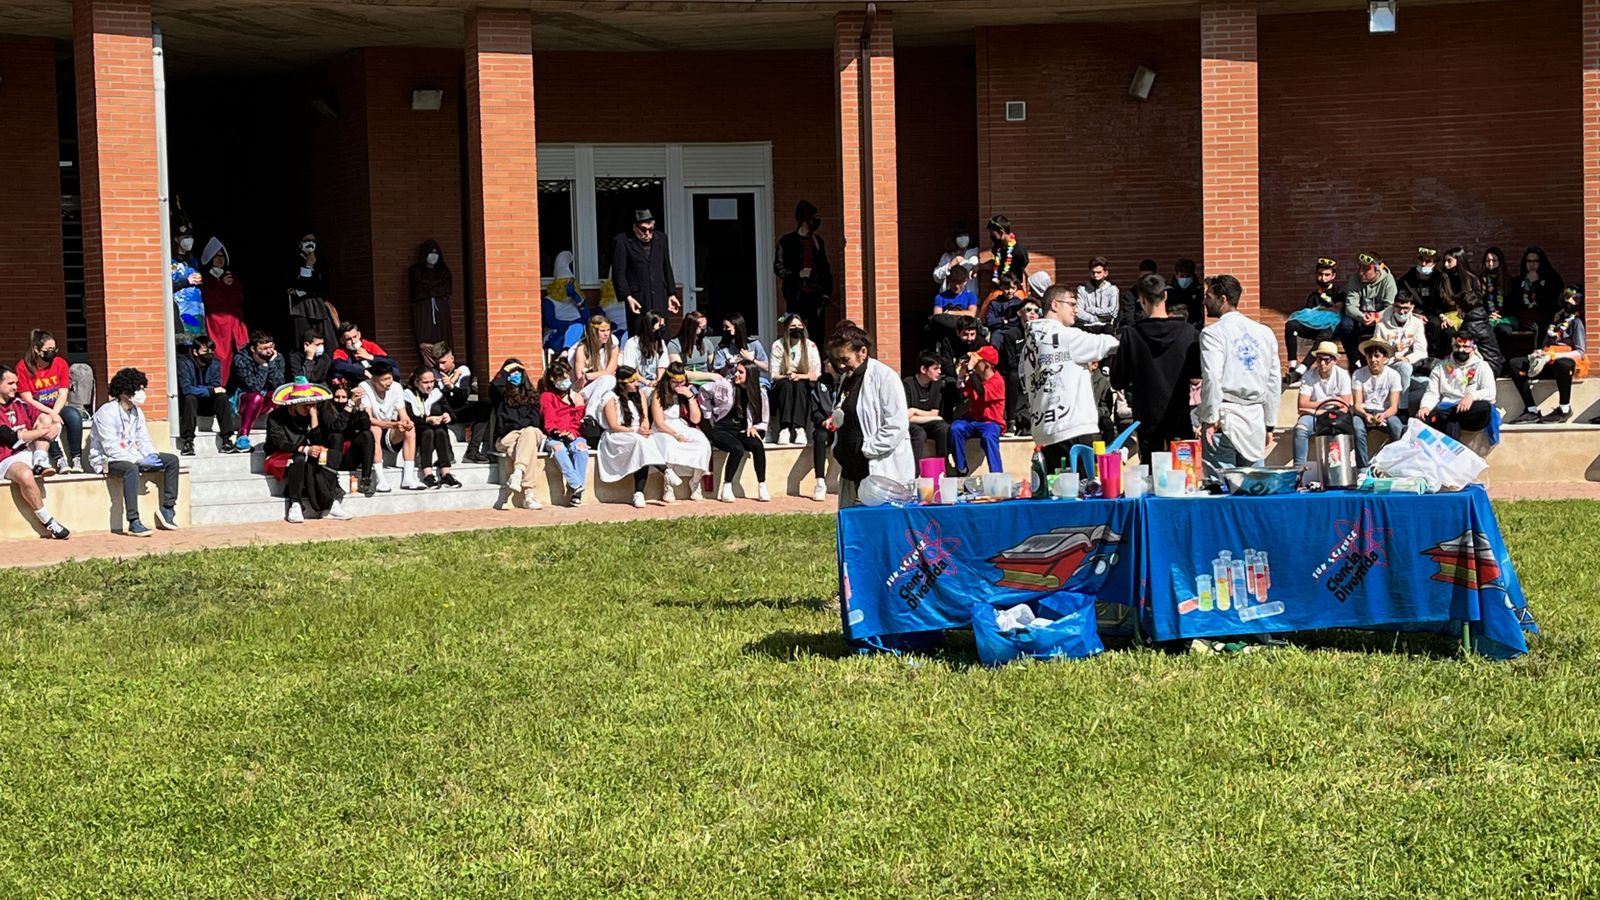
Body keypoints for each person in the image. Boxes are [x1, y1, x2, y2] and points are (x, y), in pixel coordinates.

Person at [1020, 285, 1119, 473]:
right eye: (1072, 303)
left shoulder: (1029, 344)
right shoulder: (1067, 336)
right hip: (1074, 428)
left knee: (1056, 492)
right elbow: (1110, 344)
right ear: (1055, 305)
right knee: (1084, 493)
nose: (1076, 309)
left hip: (1044, 431)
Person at [1112, 273, 1201, 464]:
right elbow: (1197, 374)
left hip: (1146, 417)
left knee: (1151, 477)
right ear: (1166, 296)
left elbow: (1117, 379)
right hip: (1179, 416)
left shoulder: (1131, 335)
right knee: (1186, 476)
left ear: (1141, 300)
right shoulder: (1188, 332)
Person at [1198, 275, 1282, 473]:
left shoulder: (1213, 333)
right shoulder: (1265, 333)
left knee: (1220, 493)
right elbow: (1273, 381)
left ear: (1223, 299)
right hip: (1254, 419)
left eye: (1208, 296)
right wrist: (1270, 423)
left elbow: (1212, 376)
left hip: (1224, 419)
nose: (1204, 301)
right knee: (1254, 492)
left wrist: (1210, 418)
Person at [825, 325, 914, 507]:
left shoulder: (885, 377)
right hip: (851, 470)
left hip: (876, 468)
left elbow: (896, 425)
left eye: (845, 359)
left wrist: (868, 450)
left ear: (863, 352)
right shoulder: (846, 379)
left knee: (878, 526)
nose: (841, 366)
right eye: (837, 360)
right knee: (853, 528)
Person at [88, 368, 181, 537]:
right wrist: (139, 460)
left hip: (132, 456)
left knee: (171, 460)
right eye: (138, 389)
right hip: (107, 460)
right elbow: (110, 448)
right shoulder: (106, 412)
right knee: (130, 468)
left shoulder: (137, 412)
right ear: (124, 391)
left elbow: (143, 439)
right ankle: (133, 521)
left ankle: (168, 509)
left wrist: (151, 456)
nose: (142, 393)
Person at [0, 365, 69, 539]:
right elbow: (13, 439)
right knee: (25, 475)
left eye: (16, 383)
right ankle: (48, 521)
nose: (16, 387)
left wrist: (54, 425)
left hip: (28, 450)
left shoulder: (20, 404)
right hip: (7, 457)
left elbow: (46, 422)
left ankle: (40, 461)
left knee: (45, 418)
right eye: (10, 383)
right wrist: (43, 432)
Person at [265, 390, 351, 523]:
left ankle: (329, 502)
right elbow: (279, 443)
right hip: (279, 455)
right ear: (293, 405)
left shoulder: (311, 414)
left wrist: (313, 416)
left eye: (312, 405)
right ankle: (295, 504)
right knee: (298, 459)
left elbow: (316, 441)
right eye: (305, 405)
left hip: (304, 452)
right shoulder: (275, 416)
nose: (309, 408)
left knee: (325, 455)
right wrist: (304, 449)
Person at [1511, 286, 1587, 424]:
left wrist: (1554, 356)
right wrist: (1539, 353)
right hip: (1547, 363)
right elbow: (1546, 345)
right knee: (1515, 364)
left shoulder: (1576, 323)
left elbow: (1580, 352)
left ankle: (1564, 408)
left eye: (1574, 299)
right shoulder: (1555, 321)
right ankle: (1531, 409)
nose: (1569, 301)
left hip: (1564, 367)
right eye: (1567, 297)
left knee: (1563, 363)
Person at [597, 366, 670, 509]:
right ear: (623, 383)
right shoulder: (610, 398)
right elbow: (613, 425)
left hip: (637, 434)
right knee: (640, 442)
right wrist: (636, 431)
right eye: (633, 381)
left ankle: (639, 493)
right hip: (617, 436)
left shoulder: (640, 394)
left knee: (644, 442)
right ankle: (665, 470)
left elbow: (645, 419)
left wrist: (644, 428)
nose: (637, 384)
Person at [702, 358, 771, 502]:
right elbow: (704, 391)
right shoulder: (725, 385)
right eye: (736, 371)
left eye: (741, 372)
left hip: (742, 430)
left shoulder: (759, 393)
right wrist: (708, 415)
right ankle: (727, 486)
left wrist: (755, 427)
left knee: (757, 445)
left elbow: (765, 419)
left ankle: (762, 485)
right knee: (737, 449)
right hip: (721, 429)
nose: (736, 375)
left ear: (750, 375)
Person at [15, 329, 82, 472]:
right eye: (48, 349)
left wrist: (55, 413)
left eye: (54, 349)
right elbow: (28, 399)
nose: (52, 352)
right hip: (36, 409)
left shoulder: (60, 363)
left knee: (74, 416)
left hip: (57, 406)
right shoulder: (23, 367)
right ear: (37, 350)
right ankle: (59, 459)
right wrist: (51, 415)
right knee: (45, 421)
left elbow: (63, 393)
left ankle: (77, 458)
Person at [649, 361, 712, 502]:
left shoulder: (686, 392)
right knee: (669, 445)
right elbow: (659, 423)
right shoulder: (658, 394)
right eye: (674, 382)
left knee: (702, 442)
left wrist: (690, 397)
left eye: (681, 382)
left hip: (681, 425)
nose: (678, 385)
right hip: (663, 429)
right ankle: (669, 486)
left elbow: (695, 419)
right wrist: (676, 435)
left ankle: (695, 482)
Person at [356, 362, 423, 492]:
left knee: (410, 429)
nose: (388, 382)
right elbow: (368, 419)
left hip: (390, 431)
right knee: (374, 430)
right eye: (384, 379)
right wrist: (393, 424)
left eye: (390, 378)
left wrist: (406, 422)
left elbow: (403, 413)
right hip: (372, 432)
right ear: (374, 379)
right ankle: (381, 480)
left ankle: (408, 478)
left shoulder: (396, 387)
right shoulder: (364, 387)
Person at [611, 209, 679, 335]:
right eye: (643, 229)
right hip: (638, 298)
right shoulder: (622, 241)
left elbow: (666, 266)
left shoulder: (661, 239)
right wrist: (627, 297)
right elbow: (618, 273)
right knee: (640, 333)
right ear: (634, 228)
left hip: (659, 294)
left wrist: (671, 293)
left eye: (650, 229)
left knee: (662, 332)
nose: (647, 233)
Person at [489, 359, 544, 510]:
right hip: (507, 437)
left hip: (530, 433)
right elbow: (494, 385)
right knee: (527, 443)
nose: (516, 375)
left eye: (518, 371)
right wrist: (505, 371)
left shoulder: (532, 396)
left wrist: (521, 427)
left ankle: (518, 473)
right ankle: (529, 494)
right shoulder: (501, 395)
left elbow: (535, 420)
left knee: (529, 433)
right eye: (512, 372)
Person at [774, 200, 833, 340]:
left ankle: (814, 359)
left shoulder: (817, 241)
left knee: (817, 333)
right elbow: (778, 267)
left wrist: (826, 293)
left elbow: (825, 269)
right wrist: (797, 274)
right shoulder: (787, 241)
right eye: (813, 219)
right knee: (795, 330)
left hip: (816, 295)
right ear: (805, 221)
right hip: (796, 296)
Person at [1419, 335, 1497, 441]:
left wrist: (1471, 396)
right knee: (1451, 423)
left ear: (1474, 349)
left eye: (1465, 347)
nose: (1461, 350)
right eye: (1457, 346)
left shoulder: (1482, 366)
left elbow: (1490, 392)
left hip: (1470, 414)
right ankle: (1454, 454)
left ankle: (1443, 414)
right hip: (1448, 410)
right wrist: (1425, 406)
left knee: (1485, 406)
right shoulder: (1440, 368)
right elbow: (1432, 393)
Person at [1284, 258, 1346, 385]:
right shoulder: (1313, 296)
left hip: (1332, 328)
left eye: (1327, 275)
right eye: (1320, 274)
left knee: (1323, 337)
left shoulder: (1339, 291)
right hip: (1313, 327)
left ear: (1333, 275)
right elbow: (1306, 314)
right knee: (1291, 325)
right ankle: (1292, 366)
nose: (1323, 278)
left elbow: (1338, 309)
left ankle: (1300, 371)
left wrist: (1326, 300)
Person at [1290, 342, 1353, 466]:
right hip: (1315, 415)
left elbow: (1344, 404)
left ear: (1334, 360)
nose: (1322, 363)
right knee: (1300, 428)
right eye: (1319, 359)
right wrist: (1330, 402)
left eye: (1326, 360)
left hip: (1335, 415)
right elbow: (1302, 404)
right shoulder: (1308, 376)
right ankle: (1298, 470)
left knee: (1344, 426)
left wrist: (1315, 408)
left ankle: (1345, 468)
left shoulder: (1343, 375)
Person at [199, 237, 249, 387]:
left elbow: (237, 298)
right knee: (219, 355)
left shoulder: (231, 278)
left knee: (235, 355)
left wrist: (228, 285)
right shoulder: (207, 280)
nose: (219, 259)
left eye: (222, 256)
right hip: (216, 324)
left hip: (232, 323)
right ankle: (217, 387)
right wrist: (221, 285)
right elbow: (211, 300)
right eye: (216, 256)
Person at [176, 337, 238, 456]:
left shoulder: (215, 363)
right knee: (190, 397)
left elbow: (216, 385)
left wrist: (210, 391)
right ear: (195, 352)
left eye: (211, 351)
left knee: (222, 397)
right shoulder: (184, 363)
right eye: (205, 352)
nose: (209, 355)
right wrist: (210, 390)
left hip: (208, 403)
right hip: (191, 405)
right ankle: (188, 442)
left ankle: (227, 440)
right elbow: (187, 388)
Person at [539, 358, 589, 507]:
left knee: (581, 448)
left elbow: (577, 421)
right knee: (558, 449)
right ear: (553, 379)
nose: (565, 382)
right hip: (554, 436)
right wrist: (558, 432)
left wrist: (572, 433)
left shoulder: (575, 397)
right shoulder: (547, 397)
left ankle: (576, 490)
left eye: (567, 378)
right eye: (561, 379)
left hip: (573, 434)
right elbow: (549, 422)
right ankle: (576, 484)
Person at [950, 345, 1006, 476]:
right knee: (955, 428)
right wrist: (961, 376)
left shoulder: (997, 381)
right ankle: (961, 469)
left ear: (987, 365)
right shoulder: (975, 379)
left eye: (977, 362)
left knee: (988, 437)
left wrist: (970, 371)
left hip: (991, 422)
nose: (974, 364)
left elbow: (981, 392)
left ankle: (997, 475)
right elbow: (960, 398)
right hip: (973, 419)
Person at [768, 313, 821, 444]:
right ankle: (785, 428)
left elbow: (816, 374)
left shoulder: (810, 346)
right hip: (783, 382)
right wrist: (788, 376)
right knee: (787, 385)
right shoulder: (778, 345)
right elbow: (773, 375)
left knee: (800, 385)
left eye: (799, 325)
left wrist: (800, 376)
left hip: (804, 382)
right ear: (786, 328)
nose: (796, 328)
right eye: (793, 326)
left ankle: (799, 428)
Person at [992, 298, 1042, 434]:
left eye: (1036, 311)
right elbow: (1010, 361)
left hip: (1037, 369)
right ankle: (1011, 421)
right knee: (1012, 376)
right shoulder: (1011, 334)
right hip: (1017, 371)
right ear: (1020, 313)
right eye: (1028, 310)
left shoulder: (1042, 333)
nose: (1032, 313)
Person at [404, 366, 460, 488]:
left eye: (432, 382)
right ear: (416, 382)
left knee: (440, 431)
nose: (429, 385)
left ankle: (446, 473)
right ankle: (427, 473)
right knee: (428, 432)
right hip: (418, 430)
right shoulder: (408, 395)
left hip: (437, 429)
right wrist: (427, 419)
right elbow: (408, 418)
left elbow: (451, 414)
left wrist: (447, 416)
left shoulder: (437, 393)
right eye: (425, 382)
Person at [229, 331, 285, 451]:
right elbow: (254, 387)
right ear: (253, 349)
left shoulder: (276, 357)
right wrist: (264, 366)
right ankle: (242, 436)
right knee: (256, 397)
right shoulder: (241, 359)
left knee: (280, 394)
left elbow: (278, 384)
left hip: (265, 401)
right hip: (242, 401)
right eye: (264, 348)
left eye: (271, 347)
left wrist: (272, 364)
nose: (269, 351)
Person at [1352, 339, 1404, 466]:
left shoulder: (1393, 375)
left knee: (1397, 427)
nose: (1373, 360)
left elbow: (1393, 407)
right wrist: (1366, 415)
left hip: (1385, 412)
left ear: (1385, 358)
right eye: (1370, 356)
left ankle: (1393, 464)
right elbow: (1357, 404)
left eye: (1377, 356)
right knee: (1357, 428)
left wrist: (1384, 415)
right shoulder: (1358, 374)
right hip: (1364, 412)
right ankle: (1362, 468)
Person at [1341, 252, 1396, 364]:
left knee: (1394, 320)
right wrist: (1362, 316)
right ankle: (1355, 361)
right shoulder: (1354, 279)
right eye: (1360, 267)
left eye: (1366, 269)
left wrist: (1377, 316)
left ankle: (1387, 361)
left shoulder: (1388, 280)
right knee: (1345, 325)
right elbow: (1350, 306)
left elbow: (1391, 306)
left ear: (1377, 269)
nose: (1361, 272)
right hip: (1361, 318)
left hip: (1380, 318)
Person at [324, 378, 377, 496]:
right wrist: (349, 406)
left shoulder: (354, 408)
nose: (340, 401)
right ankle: (334, 481)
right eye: (337, 397)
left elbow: (365, 426)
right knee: (336, 436)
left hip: (349, 456)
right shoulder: (326, 409)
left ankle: (366, 478)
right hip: (332, 455)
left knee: (367, 435)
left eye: (344, 397)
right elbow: (337, 427)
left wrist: (360, 408)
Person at [288, 232, 338, 349]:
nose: (310, 243)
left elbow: (324, 286)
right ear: (300, 244)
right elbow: (297, 283)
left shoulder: (321, 261)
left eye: (313, 240)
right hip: (301, 306)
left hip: (318, 304)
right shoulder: (293, 261)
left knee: (328, 339)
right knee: (305, 339)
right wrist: (308, 267)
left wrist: (303, 289)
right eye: (306, 240)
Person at [1397, 247, 1450, 357]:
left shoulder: (1440, 278)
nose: (1424, 264)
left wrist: (1441, 315)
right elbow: (1401, 299)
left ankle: (1435, 358)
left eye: (1428, 261)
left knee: (1436, 326)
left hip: (1435, 314)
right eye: (1421, 260)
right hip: (1412, 313)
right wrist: (1415, 313)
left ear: (1434, 263)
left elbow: (1444, 301)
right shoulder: (1407, 279)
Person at [409, 240, 454, 368]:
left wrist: (431, 290)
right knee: (425, 344)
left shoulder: (443, 271)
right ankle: (431, 368)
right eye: (430, 253)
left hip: (440, 310)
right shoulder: (416, 270)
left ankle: (445, 367)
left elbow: (446, 290)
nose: (433, 256)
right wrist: (434, 291)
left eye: (436, 253)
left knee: (443, 342)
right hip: (424, 310)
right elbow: (418, 291)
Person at [1371, 292, 1427, 393]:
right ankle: (1402, 408)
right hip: (1388, 366)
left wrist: (1407, 358)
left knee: (1426, 383)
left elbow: (1421, 351)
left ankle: (1398, 402)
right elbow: (1376, 353)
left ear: (1412, 307)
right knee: (1404, 367)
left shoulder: (1417, 323)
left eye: (1406, 308)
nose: (1402, 312)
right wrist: (1392, 350)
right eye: (1398, 307)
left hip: (1408, 365)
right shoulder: (1381, 325)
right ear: (1393, 307)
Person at [902, 351, 949, 470]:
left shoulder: (937, 385)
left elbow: (935, 413)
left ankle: (943, 468)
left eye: (940, 368)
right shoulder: (907, 384)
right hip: (911, 424)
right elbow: (906, 416)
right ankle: (914, 472)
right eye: (935, 368)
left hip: (925, 422)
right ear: (923, 369)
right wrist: (933, 416)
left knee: (943, 427)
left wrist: (914, 410)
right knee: (919, 434)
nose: (939, 372)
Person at [543, 250, 588, 353]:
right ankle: (565, 352)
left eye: (572, 282)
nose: (570, 285)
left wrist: (577, 298)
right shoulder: (549, 300)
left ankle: (566, 352)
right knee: (576, 328)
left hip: (580, 332)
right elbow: (551, 322)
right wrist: (570, 324)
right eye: (566, 283)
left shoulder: (577, 299)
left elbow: (586, 317)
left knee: (579, 328)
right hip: (557, 333)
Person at [170, 218, 205, 344]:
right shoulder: (169, 261)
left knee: (198, 343)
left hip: (196, 307)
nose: (189, 239)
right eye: (185, 236)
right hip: (181, 309)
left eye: (190, 236)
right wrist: (186, 281)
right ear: (176, 239)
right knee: (184, 343)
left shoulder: (193, 261)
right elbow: (166, 286)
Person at [712, 312, 771, 388]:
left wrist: (752, 359)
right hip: (732, 383)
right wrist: (728, 365)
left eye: (727, 327)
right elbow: (720, 374)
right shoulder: (722, 348)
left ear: (737, 328)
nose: (724, 330)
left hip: (754, 382)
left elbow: (766, 368)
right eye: (723, 327)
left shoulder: (754, 344)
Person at [1515, 246, 1564, 335]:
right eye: (1529, 261)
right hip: (1525, 319)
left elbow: (1549, 301)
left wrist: (1536, 283)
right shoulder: (1518, 280)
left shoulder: (1551, 278)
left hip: (1545, 317)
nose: (1532, 265)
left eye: (1535, 261)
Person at [571, 314, 619, 399]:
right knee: (608, 380)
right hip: (587, 389)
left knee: (608, 382)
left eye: (608, 330)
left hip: (607, 386)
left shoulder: (613, 346)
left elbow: (609, 371)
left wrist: (590, 375)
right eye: (602, 331)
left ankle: (591, 411)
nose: (606, 334)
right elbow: (580, 379)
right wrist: (596, 376)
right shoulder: (582, 348)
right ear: (593, 332)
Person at [332, 321, 396, 384]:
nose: (353, 341)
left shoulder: (369, 345)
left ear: (359, 334)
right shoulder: (340, 351)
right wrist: (362, 371)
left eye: (355, 337)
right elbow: (338, 365)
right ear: (342, 340)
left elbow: (390, 362)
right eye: (349, 339)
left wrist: (370, 357)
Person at [619, 310, 670, 387]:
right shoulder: (632, 343)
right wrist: (647, 382)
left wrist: (658, 381)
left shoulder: (661, 343)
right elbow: (630, 370)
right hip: (638, 383)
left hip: (656, 382)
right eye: (660, 326)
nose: (662, 329)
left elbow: (662, 366)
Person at [667, 310, 717, 380]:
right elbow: (678, 371)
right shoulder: (674, 345)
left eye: (706, 326)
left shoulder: (707, 342)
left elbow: (712, 367)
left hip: (706, 382)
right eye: (703, 327)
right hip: (685, 381)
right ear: (692, 329)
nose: (705, 330)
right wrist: (710, 376)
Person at [1075, 256, 1119, 334]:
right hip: (1086, 327)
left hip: (1106, 328)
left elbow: (1113, 312)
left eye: (1098, 272)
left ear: (1105, 273)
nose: (1095, 275)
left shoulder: (1112, 290)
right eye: (1093, 272)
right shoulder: (1082, 290)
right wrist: (1094, 319)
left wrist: (1090, 309)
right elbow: (1078, 312)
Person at [984, 215, 1028, 285]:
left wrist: (1027, 292)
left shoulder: (1019, 250)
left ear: (1001, 232)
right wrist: (979, 266)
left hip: (1014, 291)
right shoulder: (996, 248)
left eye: (992, 233)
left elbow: (1026, 271)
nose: (990, 236)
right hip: (999, 289)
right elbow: (997, 264)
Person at [932, 223, 979, 287]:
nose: (962, 238)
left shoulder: (975, 252)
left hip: (969, 294)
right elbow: (937, 277)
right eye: (959, 236)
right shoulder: (947, 255)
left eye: (965, 235)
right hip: (949, 294)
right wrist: (950, 265)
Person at [1117, 259, 1158, 330]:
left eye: (1149, 277)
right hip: (1137, 329)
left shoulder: (1159, 293)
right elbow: (1129, 319)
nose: (1146, 280)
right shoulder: (1131, 294)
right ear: (1139, 275)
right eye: (1143, 277)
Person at [1169, 258, 1204, 328]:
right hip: (1173, 327)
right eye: (1182, 276)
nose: (1184, 279)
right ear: (1176, 275)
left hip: (1194, 326)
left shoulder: (1199, 290)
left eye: (1187, 276)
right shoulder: (1169, 291)